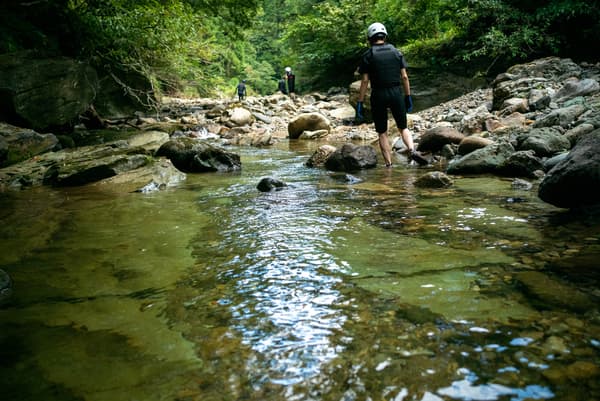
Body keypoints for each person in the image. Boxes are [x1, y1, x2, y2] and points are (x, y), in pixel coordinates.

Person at [356, 22, 427, 167]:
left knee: (382, 132)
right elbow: (405, 77)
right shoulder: (396, 52)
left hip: (378, 95)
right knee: (403, 127)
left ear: (370, 38)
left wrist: (360, 102)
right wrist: (408, 96)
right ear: (385, 36)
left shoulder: (368, 55)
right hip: (396, 93)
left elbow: (364, 81)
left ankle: (388, 165)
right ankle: (412, 150)